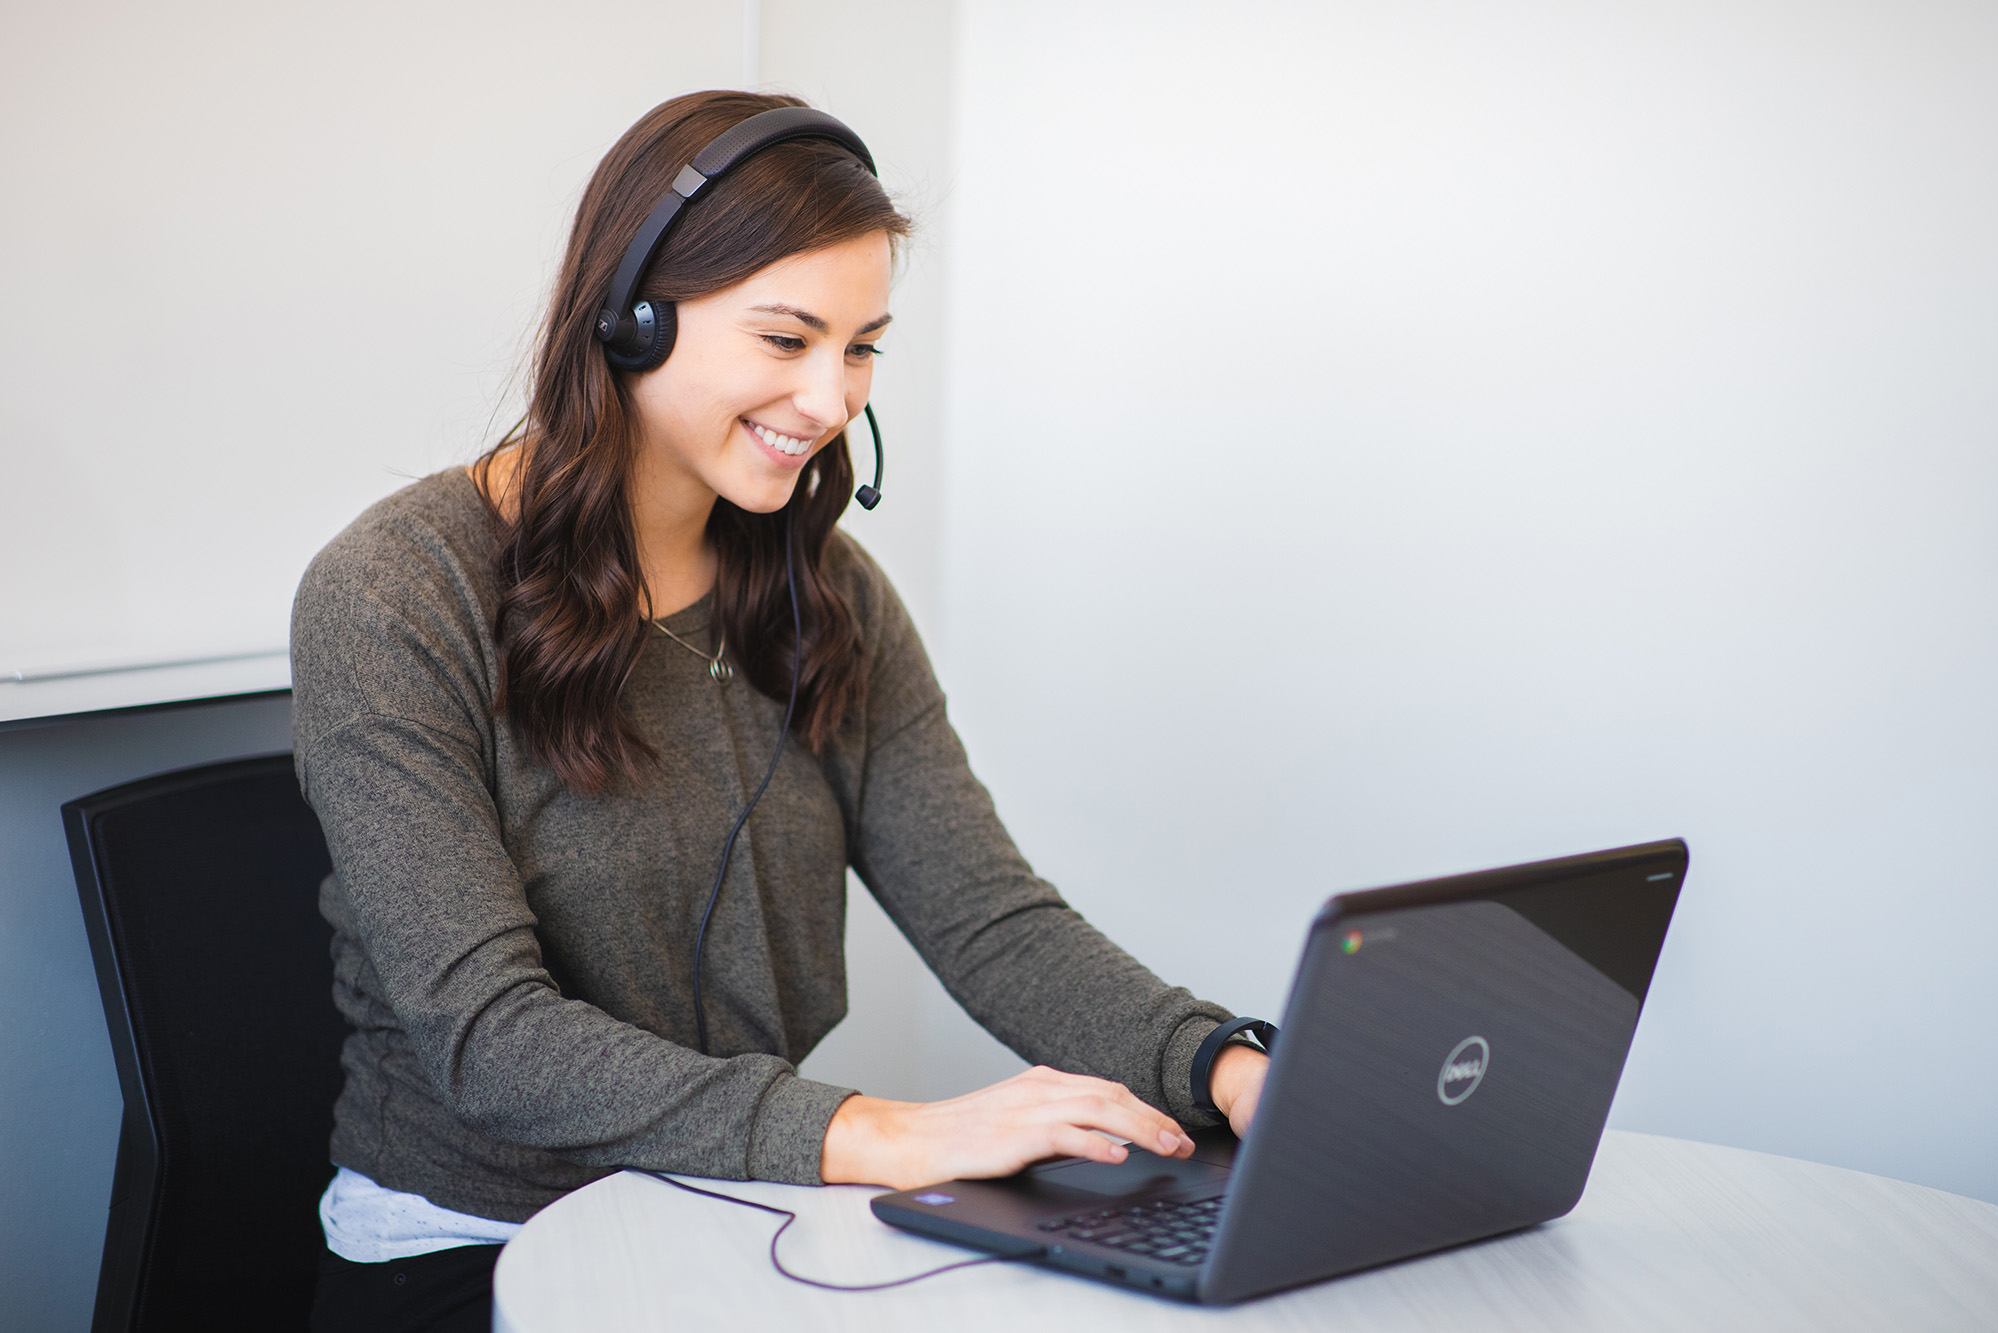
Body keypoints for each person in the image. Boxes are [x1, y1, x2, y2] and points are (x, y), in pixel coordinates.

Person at [290, 89, 1269, 1333]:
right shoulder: (394, 591)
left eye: (860, 345)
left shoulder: (825, 591)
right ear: (632, 318)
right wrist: (880, 1130)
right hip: (479, 1247)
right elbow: (488, 1037)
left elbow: (988, 917)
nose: (829, 399)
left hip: (740, 1213)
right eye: (785, 338)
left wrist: (1223, 1062)